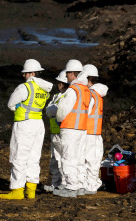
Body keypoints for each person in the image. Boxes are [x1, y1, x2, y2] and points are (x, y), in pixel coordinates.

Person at [0, 59, 53, 200]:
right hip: (38, 124)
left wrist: (18, 109)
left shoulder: (25, 88)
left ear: (31, 73)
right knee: (33, 158)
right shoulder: (43, 88)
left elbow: (11, 104)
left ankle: (17, 190)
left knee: (19, 156)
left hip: (24, 124)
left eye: (25, 73)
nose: (23, 76)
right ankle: (31, 190)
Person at [48, 59, 90, 198]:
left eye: (67, 73)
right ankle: (78, 185)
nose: (66, 76)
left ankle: (71, 187)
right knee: (78, 158)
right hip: (82, 128)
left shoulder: (73, 90)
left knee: (68, 158)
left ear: (72, 73)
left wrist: (59, 120)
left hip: (70, 128)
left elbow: (62, 110)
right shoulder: (84, 90)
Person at [79, 64, 108, 196]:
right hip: (96, 133)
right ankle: (93, 183)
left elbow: (85, 113)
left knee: (88, 160)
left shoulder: (90, 95)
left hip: (88, 133)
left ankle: (89, 186)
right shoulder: (98, 94)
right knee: (95, 161)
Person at [43, 70, 69, 193]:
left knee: (64, 159)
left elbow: (53, 111)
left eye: (59, 82)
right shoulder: (56, 97)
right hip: (55, 132)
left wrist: (52, 110)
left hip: (63, 132)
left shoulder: (67, 96)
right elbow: (49, 111)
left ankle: (63, 184)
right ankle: (55, 184)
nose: (58, 84)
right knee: (55, 159)